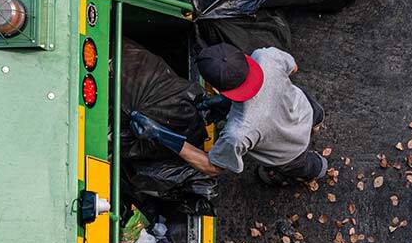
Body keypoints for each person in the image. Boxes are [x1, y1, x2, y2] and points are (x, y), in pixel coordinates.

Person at [129, 43, 326, 186]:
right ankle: (317, 127)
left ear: (215, 89)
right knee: (316, 117)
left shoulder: (238, 132)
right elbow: (293, 67)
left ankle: (318, 169)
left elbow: (213, 167)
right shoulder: (265, 57)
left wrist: (163, 136)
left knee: (303, 166)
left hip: (289, 152)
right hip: (305, 109)